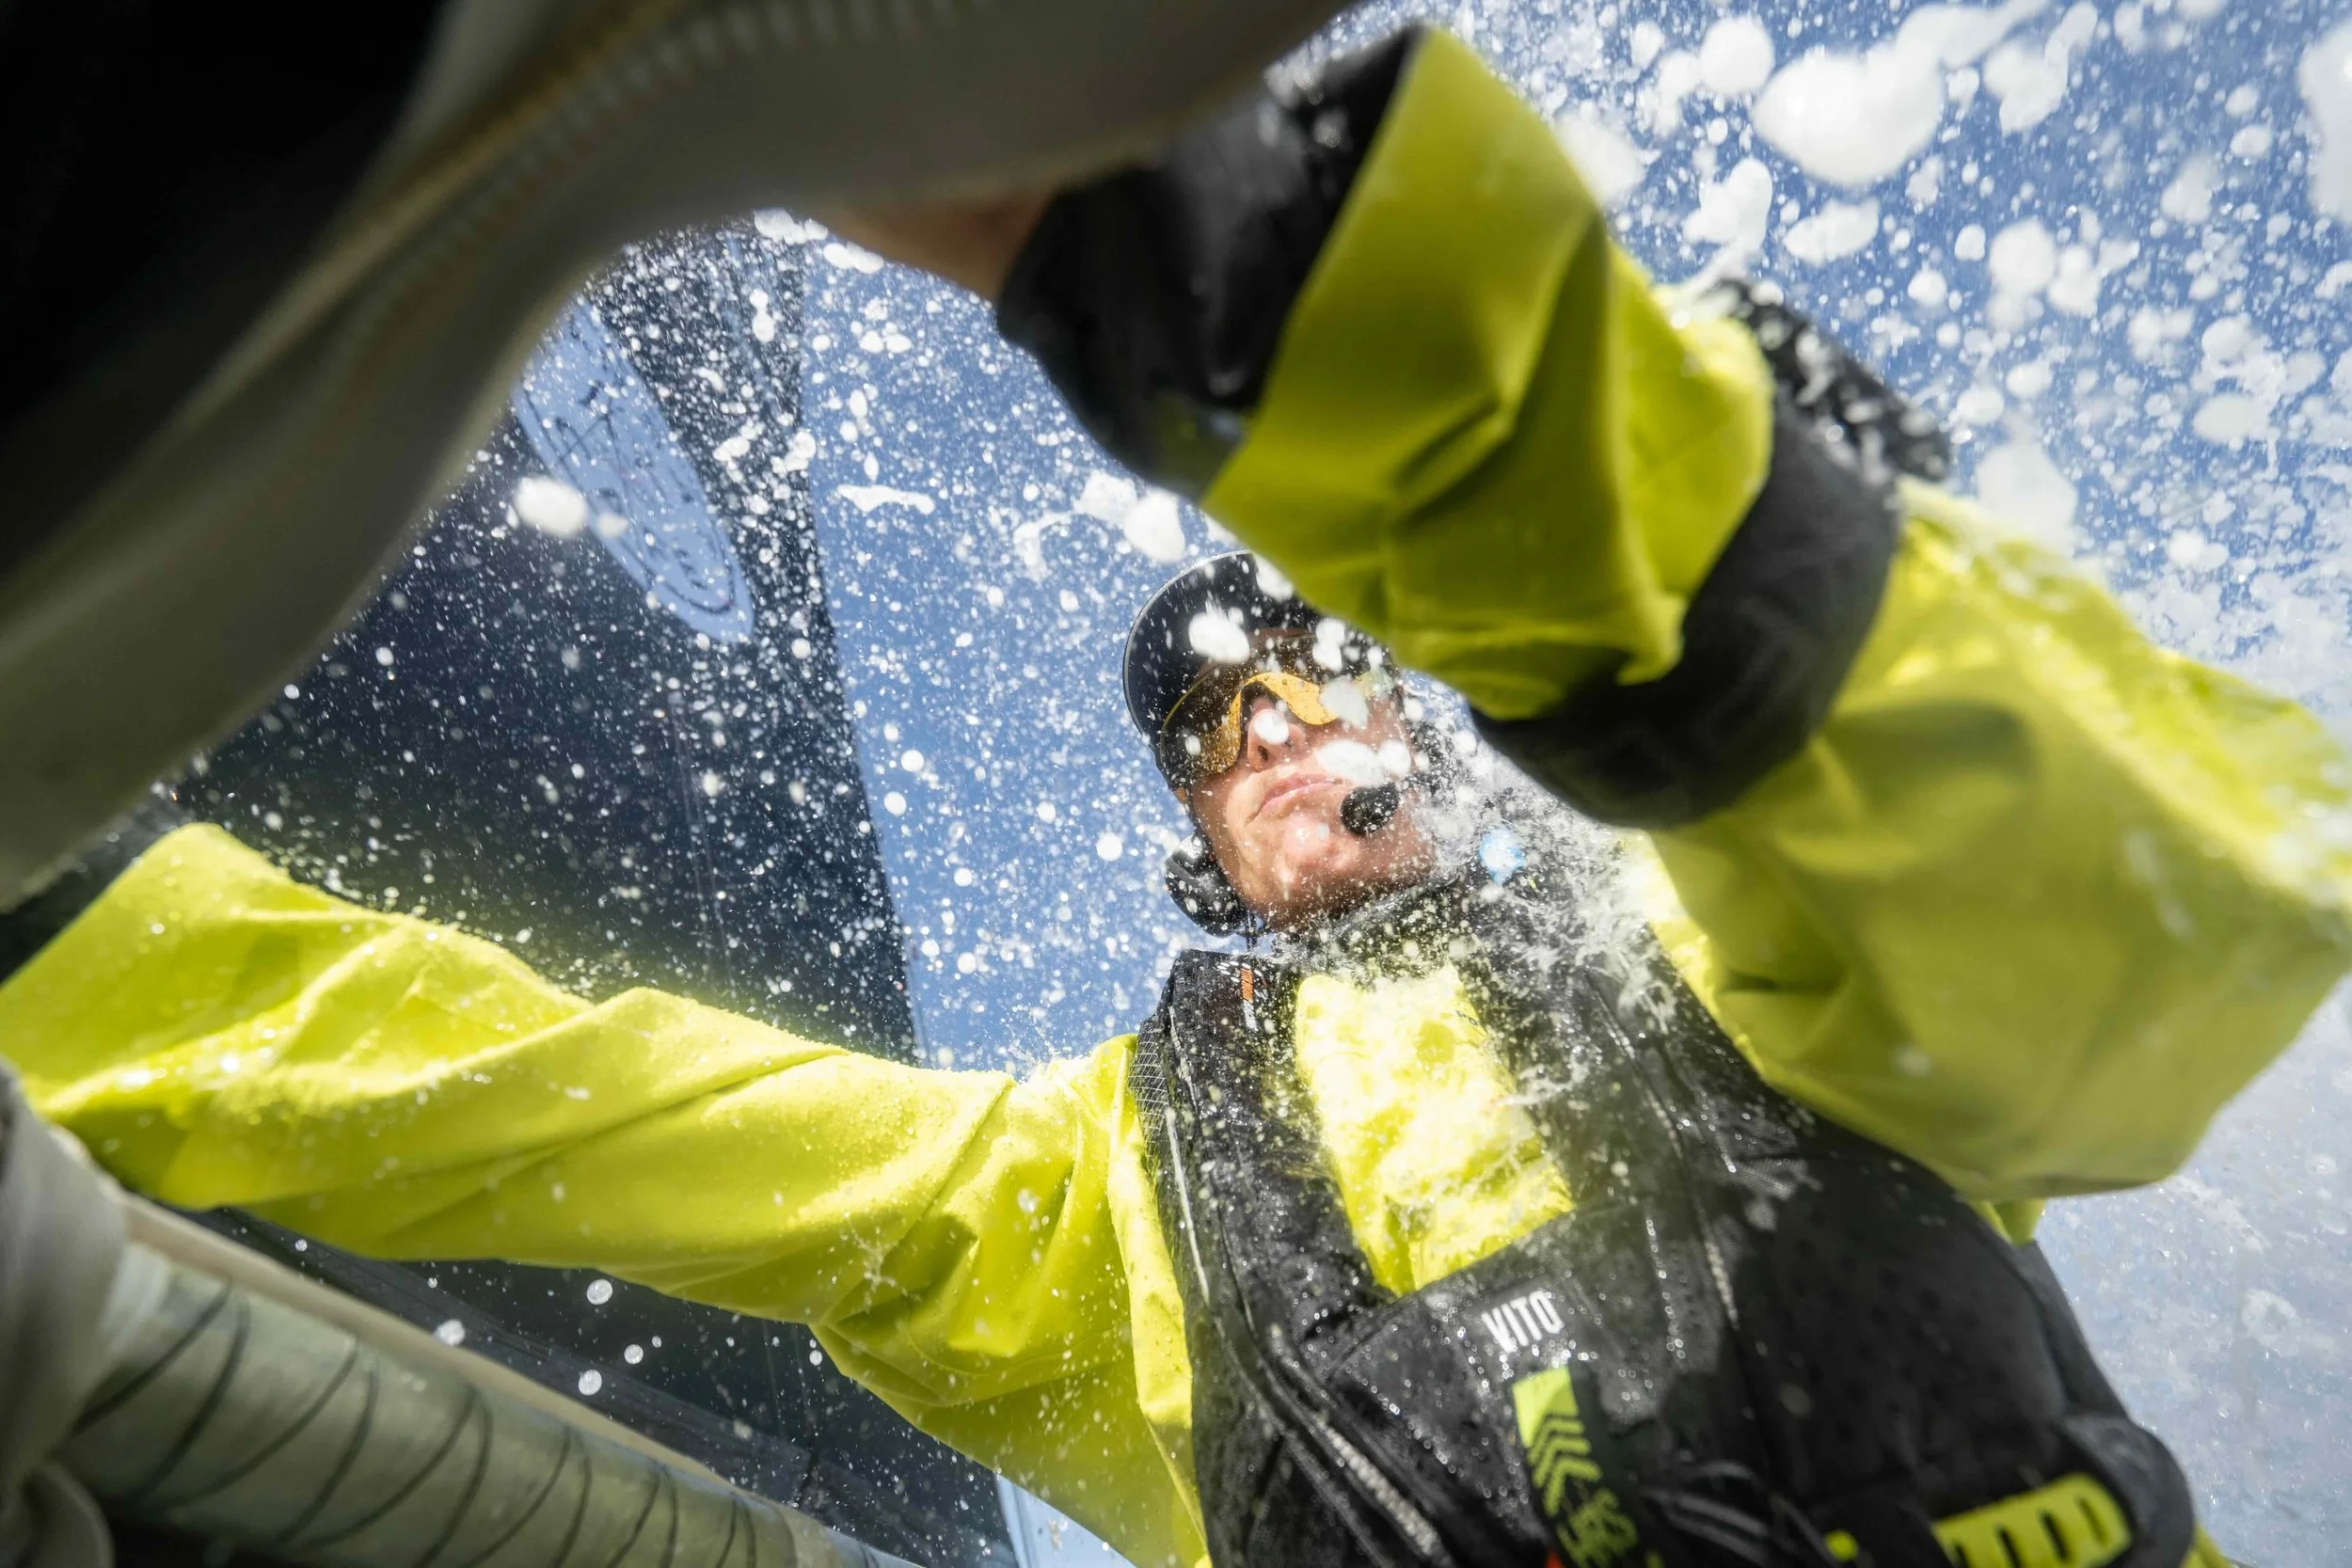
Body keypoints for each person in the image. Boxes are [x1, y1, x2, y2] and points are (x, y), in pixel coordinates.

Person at [0, 24, 2343, 1568]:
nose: (1286, 723)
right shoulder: (1093, 1198)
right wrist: (48, 963)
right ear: (1197, 853)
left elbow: (2184, 892)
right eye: (1214, 731)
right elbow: (562, 1098)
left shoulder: (1752, 959)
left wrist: (1226, 265)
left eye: (1325, 676)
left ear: (1434, 729)